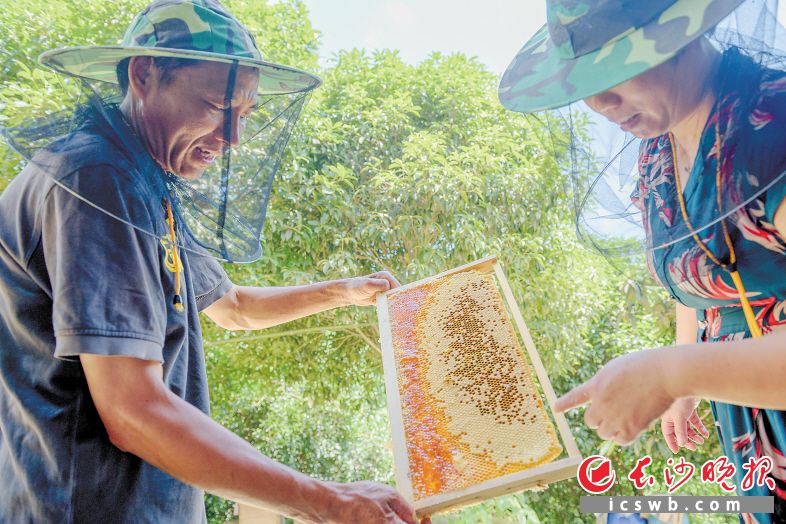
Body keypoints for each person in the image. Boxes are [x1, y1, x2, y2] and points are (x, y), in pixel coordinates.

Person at [0, 1, 418, 522]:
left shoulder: (145, 182)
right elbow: (132, 409)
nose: (233, 138)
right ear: (144, 74)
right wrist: (327, 501)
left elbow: (233, 306)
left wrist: (344, 292)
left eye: (245, 115)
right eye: (217, 106)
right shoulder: (98, 181)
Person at [500, 1, 786, 522]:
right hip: (751, 413)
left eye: (619, 68)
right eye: (585, 80)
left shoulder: (771, 132)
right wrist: (689, 378)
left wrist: (673, 374)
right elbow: (701, 274)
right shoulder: (657, 145)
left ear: (685, 32)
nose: (601, 101)